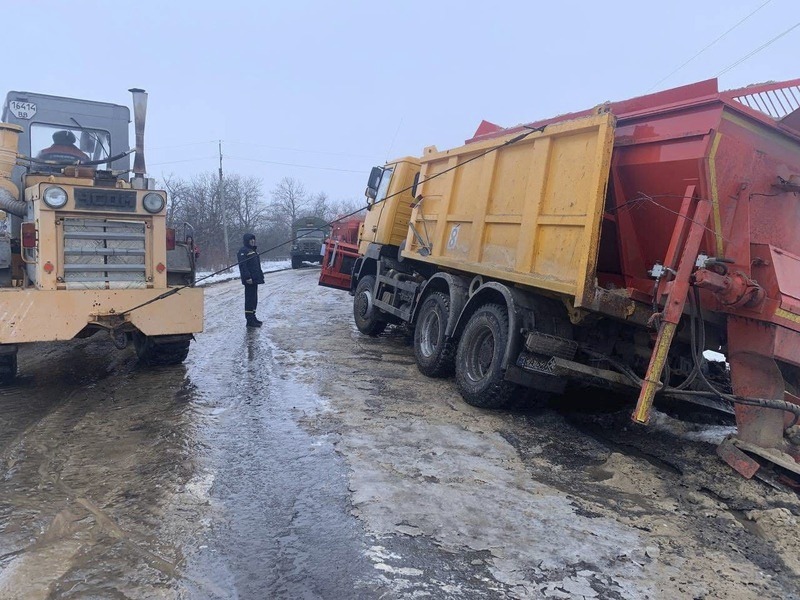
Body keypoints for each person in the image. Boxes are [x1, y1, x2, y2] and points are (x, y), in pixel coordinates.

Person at [237, 233, 265, 328]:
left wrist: (260, 276)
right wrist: (247, 277)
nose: (253, 241)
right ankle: (249, 320)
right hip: (249, 280)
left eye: (254, 240)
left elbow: (257, 266)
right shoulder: (243, 251)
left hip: (255, 279)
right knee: (249, 300)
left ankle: (253, 317)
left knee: (254, 299)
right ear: (247, 241)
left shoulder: (253, 251)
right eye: (251, 240)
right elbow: (243, 266)